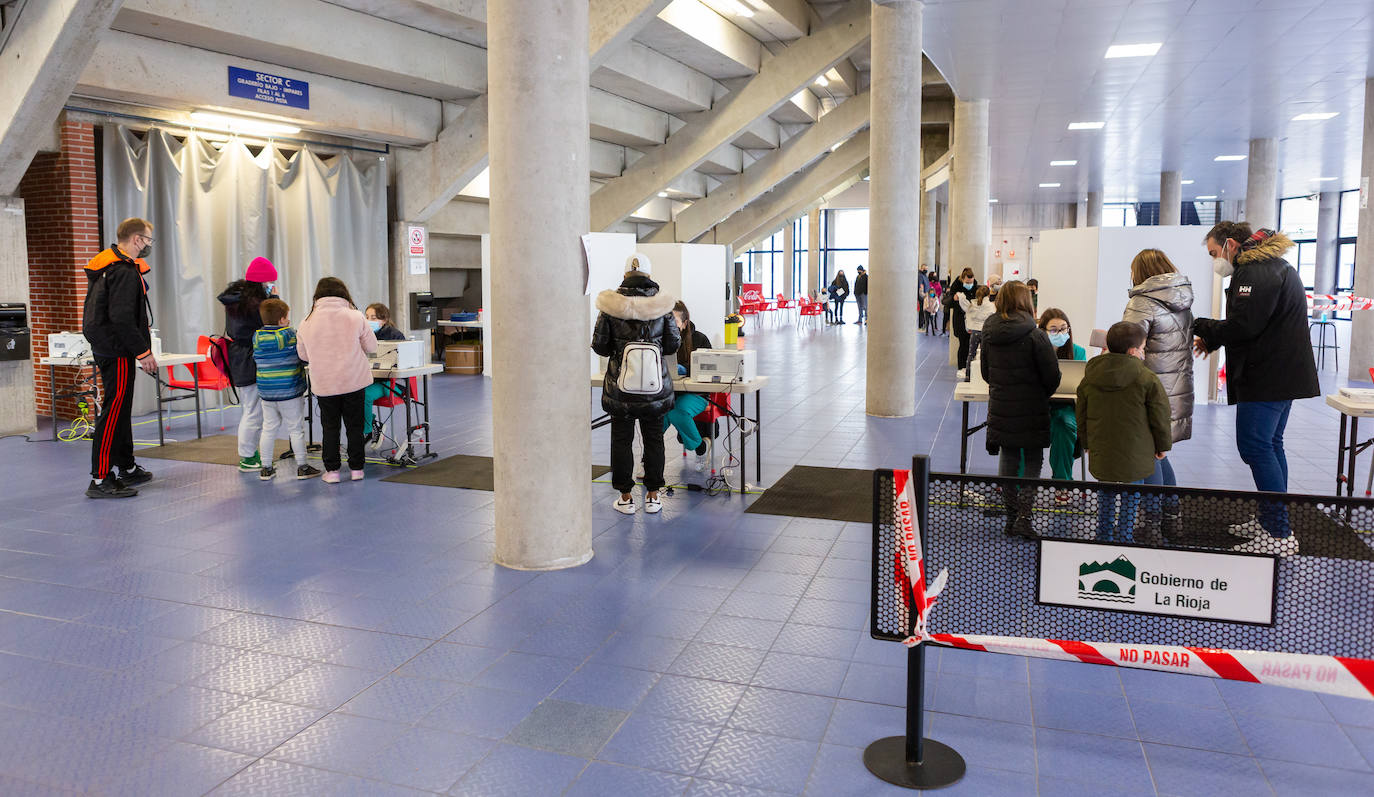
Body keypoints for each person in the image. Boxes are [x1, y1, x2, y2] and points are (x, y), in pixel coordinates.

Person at [1193, 223, 1316, 555]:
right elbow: (1255, 323)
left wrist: (1200, 325)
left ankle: (1278, 534)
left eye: (1214, 253)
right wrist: (1213, 338)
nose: (1215, 261)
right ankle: (1270, 520)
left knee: (1256, 447)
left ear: (1231, 244)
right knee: (1271, 445)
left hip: (1268, 376)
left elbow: (1245, 326)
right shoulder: (1273, 266)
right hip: (1282, 373)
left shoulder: (1254, 272)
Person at [592, 257, 680, 514]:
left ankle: (626, 497)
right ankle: (653, 495)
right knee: (654, 439)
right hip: (654, 388)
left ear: (625, 275)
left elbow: (600, 345)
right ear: (649, 274)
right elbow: (673, 344)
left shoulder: (610, 305)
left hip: (621, 388)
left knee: (621, 439)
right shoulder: (662, 305)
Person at [82, 217, 158, 499]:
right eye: (148, 240)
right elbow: (122, 318)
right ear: (137, 239)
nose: (149, 245)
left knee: (121, 408)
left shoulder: (109, 266)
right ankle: (101, 478)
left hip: (109, 346)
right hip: (118, 350)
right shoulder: (124, 270)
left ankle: (125, 466)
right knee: (114, 410)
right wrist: (143, 351)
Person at [1077, 322, 1172, 543]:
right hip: (1136, 453)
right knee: (1132, 497)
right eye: (1143, 348)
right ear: (1132, 351)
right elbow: (1160, 416)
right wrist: (1162, 446)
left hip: (1103, 450)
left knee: (1106, 496)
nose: (1143, 352)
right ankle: (1125, 539)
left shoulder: (1090, 376)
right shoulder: (1147, 378)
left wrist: (1087, 442)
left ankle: (1104, 537)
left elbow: (1081, 413)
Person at [1122, 248, 1194, 539]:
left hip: (1148, 392)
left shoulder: (1142, 302)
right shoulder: (1183, 299)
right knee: (1160, 453)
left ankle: (1151, 522)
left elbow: (1129, 346)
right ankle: (1171, 516)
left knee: (1149, 454)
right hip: (1176, 391)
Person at [981, 281, 1060, 538]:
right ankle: (1025, 519)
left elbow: (985, 372)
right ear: (1025, 301)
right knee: (1033, 462)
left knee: (1008, 458)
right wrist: (1039, 392)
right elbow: (1052, 376)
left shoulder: (989, 331)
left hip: (1002, 407)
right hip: (1032, 407)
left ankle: (1011, 516)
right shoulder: (1035, 335)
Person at [296, 277, 377, 484]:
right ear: (343, 293)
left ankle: (332, 472)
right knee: (355, 427)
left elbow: (303, 355)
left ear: (318, 296)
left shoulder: (306, 322)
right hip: (354, 381)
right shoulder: (355, 316)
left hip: (325, 384)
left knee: (330, 428)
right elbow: (372, 347)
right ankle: (357, 469)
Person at [218, 257, 278, 472]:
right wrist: (274, 300)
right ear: (262, 283)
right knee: (254, 412)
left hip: (240, 359)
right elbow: (271, 322)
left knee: (252, 410)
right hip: (249, 360)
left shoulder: (237, 301)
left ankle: (251, 453)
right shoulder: (256, 305)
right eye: (269, 282)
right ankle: (247, 457)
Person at [252, 299, 321, 481]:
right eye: (287, 317)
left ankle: (266, 468)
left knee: (268, 428)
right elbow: (303, 354)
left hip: (267, 392)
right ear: (282, 319)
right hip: (289, 391)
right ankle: (302, 466)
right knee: (296, 429)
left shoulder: (256, 337)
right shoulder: (289, 335)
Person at [1038, 308, 1086, 496]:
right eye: (1053, 330)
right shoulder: (1036, 351)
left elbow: (1081, 385)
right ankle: (1020, 484)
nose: (1059, 333)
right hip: (1039, 406)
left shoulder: (1078, 352)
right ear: (1042, 331)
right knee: (1024, 427)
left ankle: (1062, 483)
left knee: (1065, 424)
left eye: (1064, 328)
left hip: (1067, 407)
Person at [663, 301, 713, 471]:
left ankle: (700, 449)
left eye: (674, 321)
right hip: (668, 392)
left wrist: (686, 369)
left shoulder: (700, 339)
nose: (670, 324)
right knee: (655, 417)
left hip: (696, 394)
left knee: (678, 411)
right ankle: (648, 459)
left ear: (684, 323)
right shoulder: (661, 339)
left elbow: (709, 366)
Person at [362, 302, 407, 444]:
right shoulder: (364, 335)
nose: (369, 321)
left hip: (392, 383)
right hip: (372, 380)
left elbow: (403, 363)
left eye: (374, 318)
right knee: (349, 394)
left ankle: (367, 431)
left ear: (384, 320)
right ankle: (373, 424)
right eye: (367, 317)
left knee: (365, 395)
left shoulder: (395, 335)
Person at [944, 267, 979, 372]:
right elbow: (946, 302)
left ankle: (969, 368)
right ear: (962, 279)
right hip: (960, 321)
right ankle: (961, 367)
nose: (970, 284)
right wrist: (954, 299)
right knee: (963, 344)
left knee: (971, 345)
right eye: (967, 282)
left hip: (972, 320)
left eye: (971, 282)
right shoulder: (956, 287)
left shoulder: (975, 287)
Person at [957, 285, 994, 380]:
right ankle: (984, 376)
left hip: (975, 332)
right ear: (988, 295)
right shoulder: (991, 306)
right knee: (985, 354)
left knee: (971, 354)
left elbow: (967, 313)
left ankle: (968, 375)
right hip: (986, 332)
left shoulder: (973, 305)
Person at [918, 264, 931, 330]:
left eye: (927, 269)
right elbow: (920, 286)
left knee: (924, 310)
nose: (926, 270)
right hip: (922, 296)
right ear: (922, 268)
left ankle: (923, 324)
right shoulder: (920, 275)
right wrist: (923, 295)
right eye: (925, 269)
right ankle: (921, 324)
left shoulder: (924, 275)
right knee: (922, 311)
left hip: (926, 295)